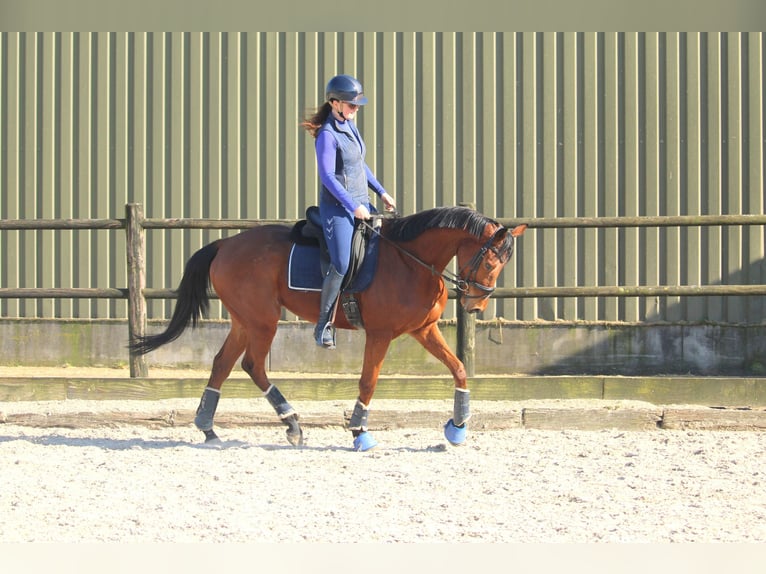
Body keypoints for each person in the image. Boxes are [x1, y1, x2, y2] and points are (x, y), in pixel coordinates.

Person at [301, 74, 396, 349]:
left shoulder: (350, 127)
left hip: (361, 204)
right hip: (337, 210)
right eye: (351, 105)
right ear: (334, 103)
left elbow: (358, 165)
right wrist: (352, 206)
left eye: (357, 105)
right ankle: (323, 326)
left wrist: (381, 191)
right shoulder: (327, 135)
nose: (356, 109)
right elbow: (328, 177)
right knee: (341, 262)